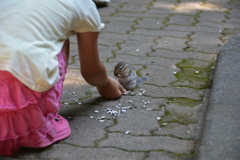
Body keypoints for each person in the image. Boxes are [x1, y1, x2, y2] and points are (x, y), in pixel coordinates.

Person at [0, 0, 126, 156]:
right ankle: (35, 117)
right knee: (60, 37)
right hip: (19, 111)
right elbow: (91, 72)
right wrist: (106, 84)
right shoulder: (83, 6)